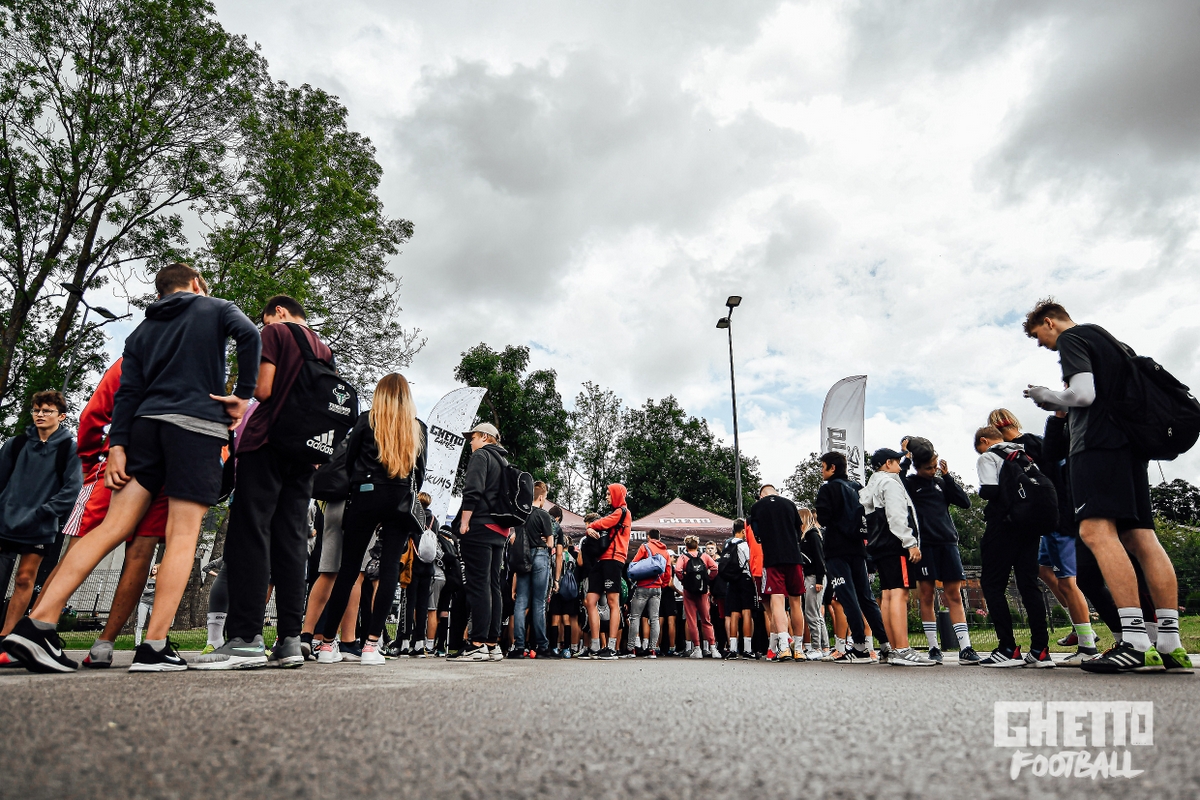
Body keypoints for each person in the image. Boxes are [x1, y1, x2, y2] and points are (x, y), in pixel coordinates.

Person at [5, 264, 260, 673]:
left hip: (143, 432)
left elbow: (128, 392)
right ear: (195, 283)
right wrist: (243, 395)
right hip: (193, 429)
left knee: (110, 527)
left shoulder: (142, 331)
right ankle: (154, 646)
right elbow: (249, 335)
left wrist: (119, 444)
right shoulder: (215, 307)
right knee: (181, 536)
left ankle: (35, 625)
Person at [1023, 299, 1187, 673]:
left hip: (1096, 447)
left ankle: (1133, 641)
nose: (1041, 344)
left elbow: (1083, 394)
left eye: (1038, 336)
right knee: (1142, 538)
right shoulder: (1114, 343)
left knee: (1095, 531)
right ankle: (1170, 643)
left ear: (1049, 322)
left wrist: (1045, 396)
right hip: (1130, 449)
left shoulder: (1074, 338)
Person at [197, 295, 339, 670]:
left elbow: (262, 389)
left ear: (277, 312)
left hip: (267, 441)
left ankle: (245, 637)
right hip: (305, 451)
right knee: (291, 539)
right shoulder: (324, 350)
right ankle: (290, 639)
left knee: (250, 533)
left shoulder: (275, 333)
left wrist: (238, 399)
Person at [309, 374, 425, 667]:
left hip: (365, 494)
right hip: (399, 499)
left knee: (347, 570)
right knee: (388, 571)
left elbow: (348, 462)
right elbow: (420, 474)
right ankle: (372, 646)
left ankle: (326, 645)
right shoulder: (416, 428)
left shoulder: (365, 420)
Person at [0, 390, 82, 648]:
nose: (40, 415)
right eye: (37, 410)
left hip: (39, 524)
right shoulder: (16, 444)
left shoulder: (69, 449)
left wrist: (44, 512)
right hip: (6, 520)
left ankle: (8, 636)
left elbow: (71, 488)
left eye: (47, 411)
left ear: (61, 416)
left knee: (25, 578)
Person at [973, 426, 1053, 668]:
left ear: (984, 441)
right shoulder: (1025, 455)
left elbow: (989, 490)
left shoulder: (988, 456)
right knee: (1028, 584)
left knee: (992, 584)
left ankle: (1008, 648)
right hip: (1029, 526)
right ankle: (1040, 649)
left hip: (1004, 526)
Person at [898, 436, 980, 665]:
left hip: (947, 544)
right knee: (926, 595)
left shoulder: (942, 482)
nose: (933, 470)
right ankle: (934, 647)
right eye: (929, 468)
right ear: (917, 467)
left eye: (935, 466)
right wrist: (905, 456)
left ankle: (966, 648)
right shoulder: (911, 484)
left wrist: (947, 476)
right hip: (925, 547)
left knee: (953, 594)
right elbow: (897, 479)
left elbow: (965, 502)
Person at [861, 448, 934, 666]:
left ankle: (893, 649)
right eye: (896, 462)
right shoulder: (891, 483)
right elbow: (896, 515)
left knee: (888, 595)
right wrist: (910, 543)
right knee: (900, 595)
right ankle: (903, 648)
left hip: (880, 547)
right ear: (887, 463)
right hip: (895, 544)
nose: (900, 466)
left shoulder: (871, 485)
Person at [814, 451, 885, 664]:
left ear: (832, 468)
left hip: (837, 549)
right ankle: (885, 645)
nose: (821, 471)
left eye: (823, 466)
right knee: (866, 597)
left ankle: (860, 647)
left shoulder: (827, 489)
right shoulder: (857, 488)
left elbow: (824, 518)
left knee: (847, 597)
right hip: (858, 549)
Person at [456, 422, 512, 663]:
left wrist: (464, 521)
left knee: (478, 585)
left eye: (474, 437)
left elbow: (473, 490)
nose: (471, 442)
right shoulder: (505, 461)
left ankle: (476, 643)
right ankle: (491, 644)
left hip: (479, 524)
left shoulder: (481, 455)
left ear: (486, 437)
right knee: (493, 585)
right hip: (500, 530)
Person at [748, 484, 806, 662]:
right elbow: (798, 531)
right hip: (794, 557)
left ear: (761, 495)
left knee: (777, 601)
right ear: (776, 492)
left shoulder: (757, 507)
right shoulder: (789, 504)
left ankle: (783, 646)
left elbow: (756, 534)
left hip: (773, 558)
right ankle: (799, 647)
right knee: (796, 602)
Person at [582, 483, 632, 660]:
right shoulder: (615, 513)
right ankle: (595, 646)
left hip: (614, 559)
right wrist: (591, 528)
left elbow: (604, 523)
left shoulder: (623, 512)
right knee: (590, 601)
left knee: (613, 601)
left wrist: (591, 526)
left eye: (609, 494)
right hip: (602, 560)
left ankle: (611, 647)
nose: (606, 497)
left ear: (617, 494)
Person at [510, 482, 555, 658]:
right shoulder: (544, 515)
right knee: (538, 602)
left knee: (521, 602)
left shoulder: (520, 515)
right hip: (540, 555)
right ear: (541, 497)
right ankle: (542, 647)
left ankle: (519, 647)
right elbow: (551, 544)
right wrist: (544, 541)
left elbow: (514, 538)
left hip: (523, 558)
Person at [628, 529, 671, 658]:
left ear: (648, 537)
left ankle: (632, 649)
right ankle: (652, 650)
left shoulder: (645, 547)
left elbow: (634, 564)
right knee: (655, 618)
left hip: (643, 586)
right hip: (657, 588)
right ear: (659, 537)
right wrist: (662, 584)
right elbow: (668, 572)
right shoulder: (665, 551)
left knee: (635, 616)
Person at [675, 535, 718, 658]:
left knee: (692, 621)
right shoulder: (704, 556)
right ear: (697, 545)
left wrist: (684, 580)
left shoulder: (683, 557)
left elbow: (678, 570)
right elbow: (715, 568)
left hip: (689, 592)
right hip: (703, 591)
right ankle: (713, 647)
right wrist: (708, 579)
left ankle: (697, 648)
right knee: (706, 620)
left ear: (686, 546)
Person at [720, 519, 756, 660]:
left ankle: (733, 648)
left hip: (732, 581)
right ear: (743, 531)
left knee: (733, 613)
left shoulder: (727, 544)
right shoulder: (745, 545)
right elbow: (749, 564)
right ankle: (747, 649)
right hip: (745, 580)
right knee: (746, 612)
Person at [798, 509, 827, 660]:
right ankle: (824, 646)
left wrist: (819, 580)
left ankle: (817, 647)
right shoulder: (806, 536)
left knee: (812, 613)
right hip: (812, 576)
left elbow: (819, 558)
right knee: (816, 613)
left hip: (814, 576)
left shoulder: (812, 536)